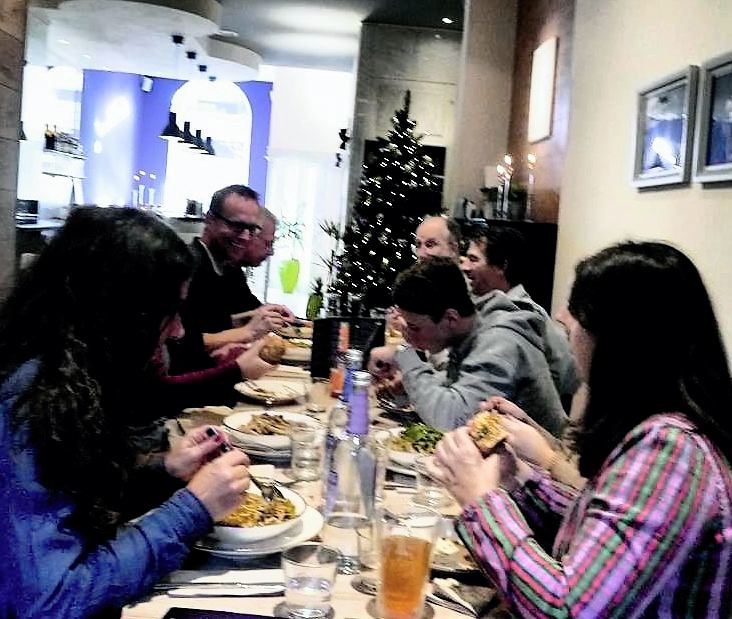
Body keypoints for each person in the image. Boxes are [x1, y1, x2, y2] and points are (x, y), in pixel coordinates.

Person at [431, 241, 732, 617]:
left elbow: (570, 609)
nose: (563, 318)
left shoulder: (671, 450)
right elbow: (599, 529)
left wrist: (481, 502)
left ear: (621, 340)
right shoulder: (660, 429)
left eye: (578, 313)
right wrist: (519, 480)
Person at [0, 208, 251, 618]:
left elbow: (75, 497)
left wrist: (165, 471)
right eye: (169, 312)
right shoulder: (31, 400)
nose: (178, 331)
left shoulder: (67, 368)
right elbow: (50, 602)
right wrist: (192, 508)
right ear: (123, 312)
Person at [368, 257, 565, 434]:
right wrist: (410, 386)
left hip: (542, 461)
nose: (408, 335)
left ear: (451, 318)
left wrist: (404, 355)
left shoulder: (500, 342)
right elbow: (459, 387)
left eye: (414, 327)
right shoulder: (474, 327)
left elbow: (452, 420)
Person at [170, 188, 292, 374]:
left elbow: (215, 322)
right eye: (236, 226)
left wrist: (257, 315)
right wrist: (247, 332)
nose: (245, 237)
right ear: (209, 220)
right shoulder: (185, 265)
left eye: (251, 229)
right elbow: (178, 342)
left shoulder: (228, 268)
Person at [462, 226, 579, 408]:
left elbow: (567, 376)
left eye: (473, 259)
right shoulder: (477, 307)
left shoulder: (528, 315)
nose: (465, 267)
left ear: (502, 266)